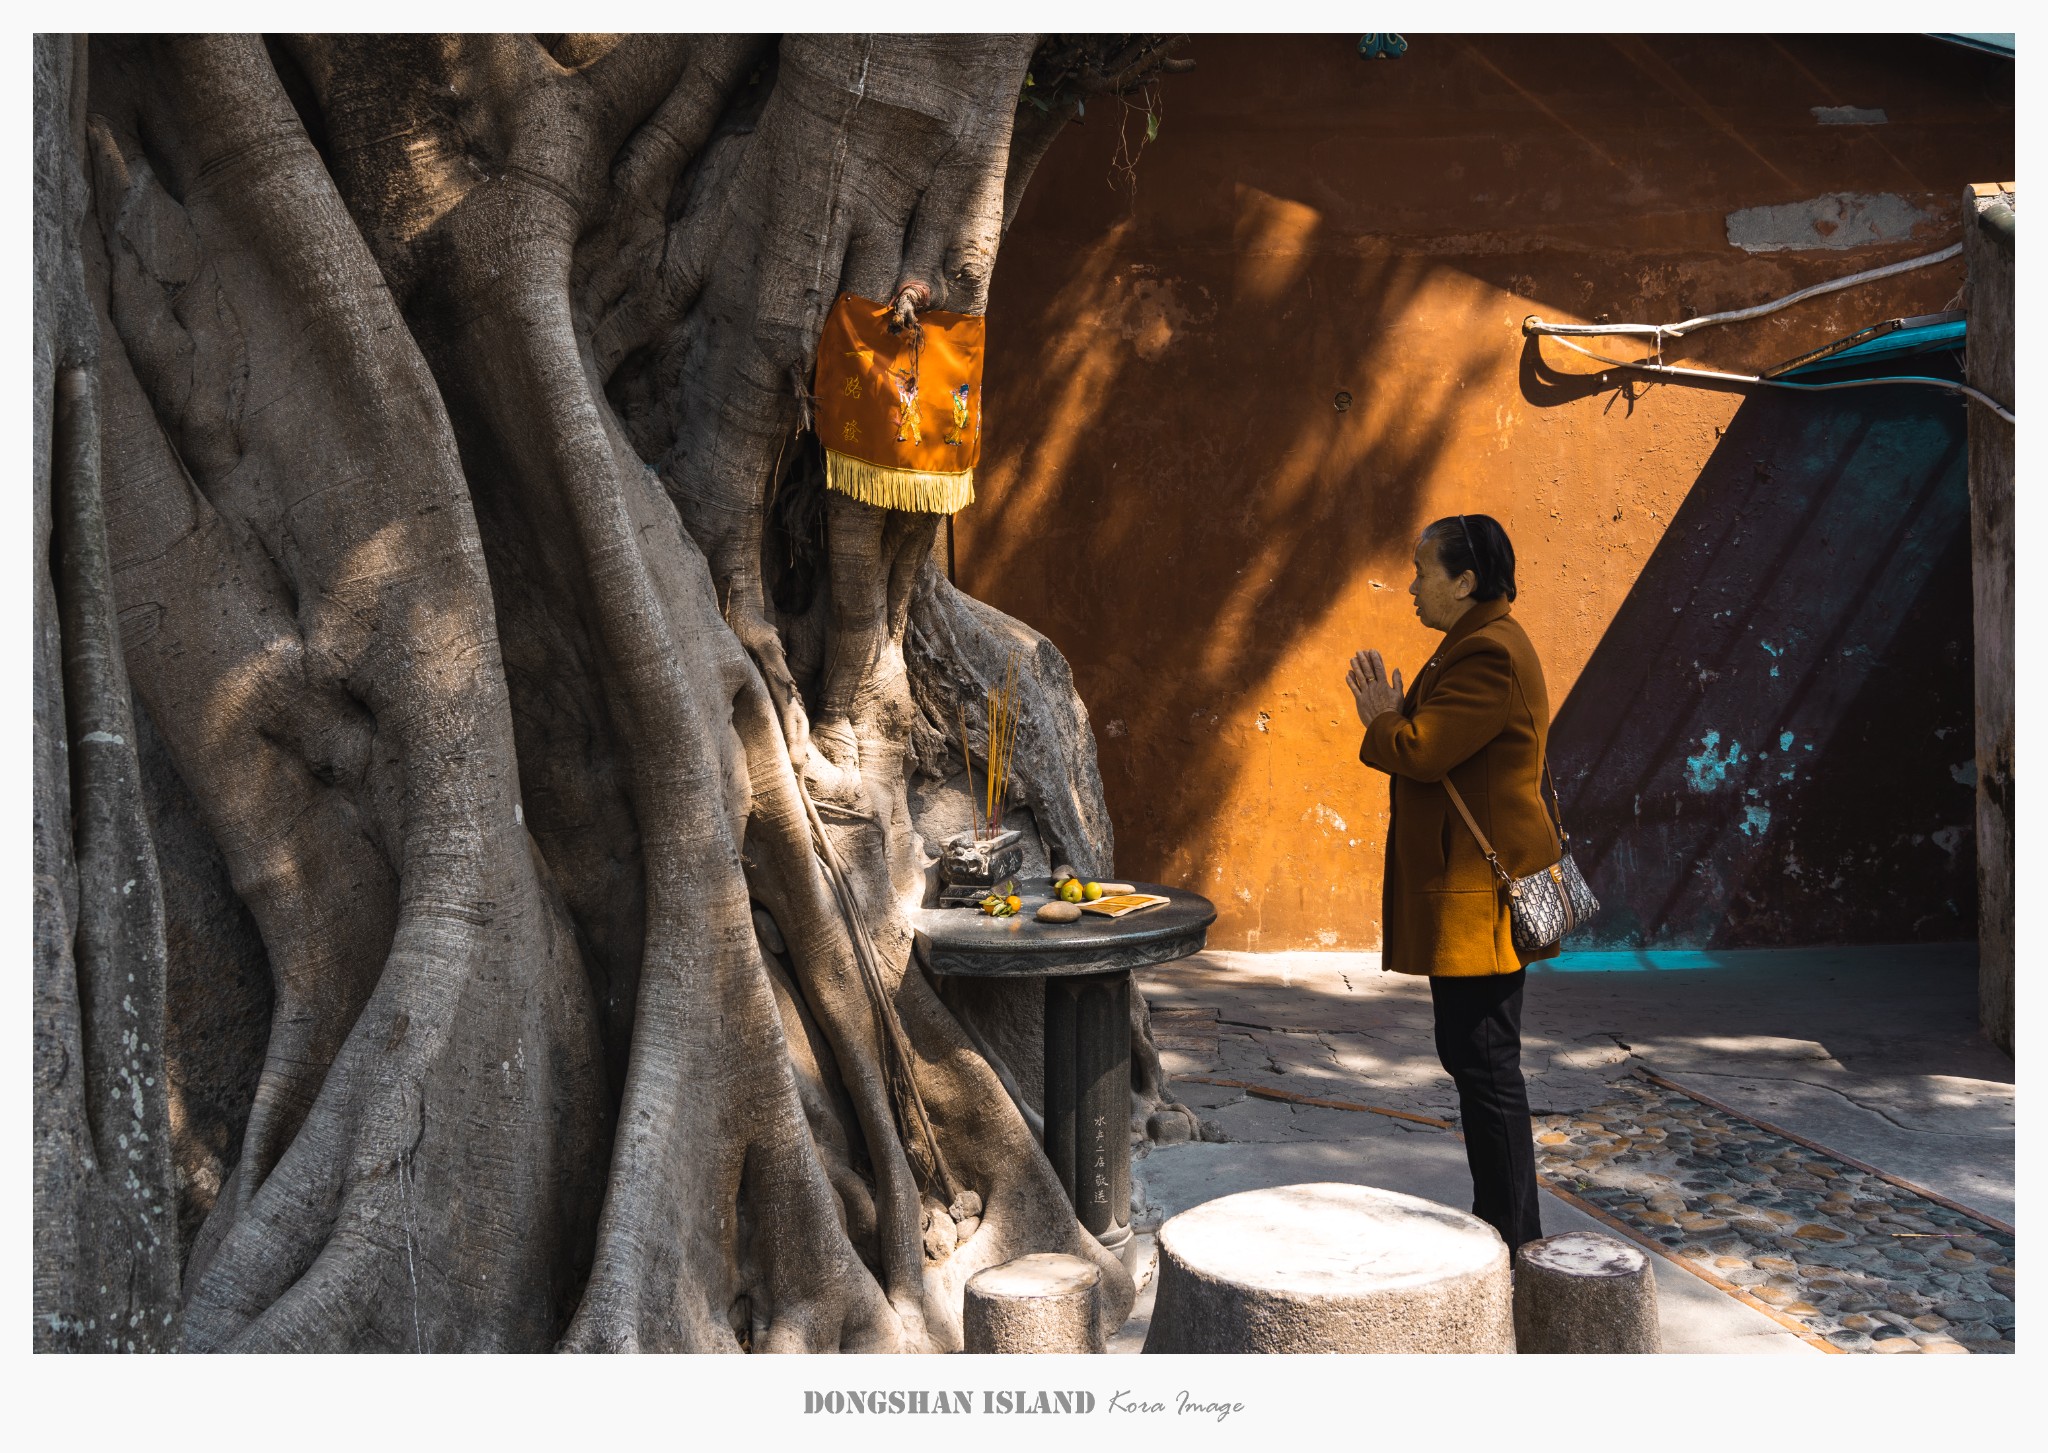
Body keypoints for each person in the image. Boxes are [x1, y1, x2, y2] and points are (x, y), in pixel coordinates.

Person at [1344, 513, 1558, 1257]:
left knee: (1487, 1067)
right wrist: (1398, 718)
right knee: (1475, 1062)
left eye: (1422, 571)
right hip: (1475, 903)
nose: (1412, 586)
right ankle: (1500, 1220)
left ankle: (1514, 1237)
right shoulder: (1473, 644)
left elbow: (1425, 749)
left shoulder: (1488, 655)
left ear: (1465, 581)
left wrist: (1382, 719)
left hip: (1483, 906)